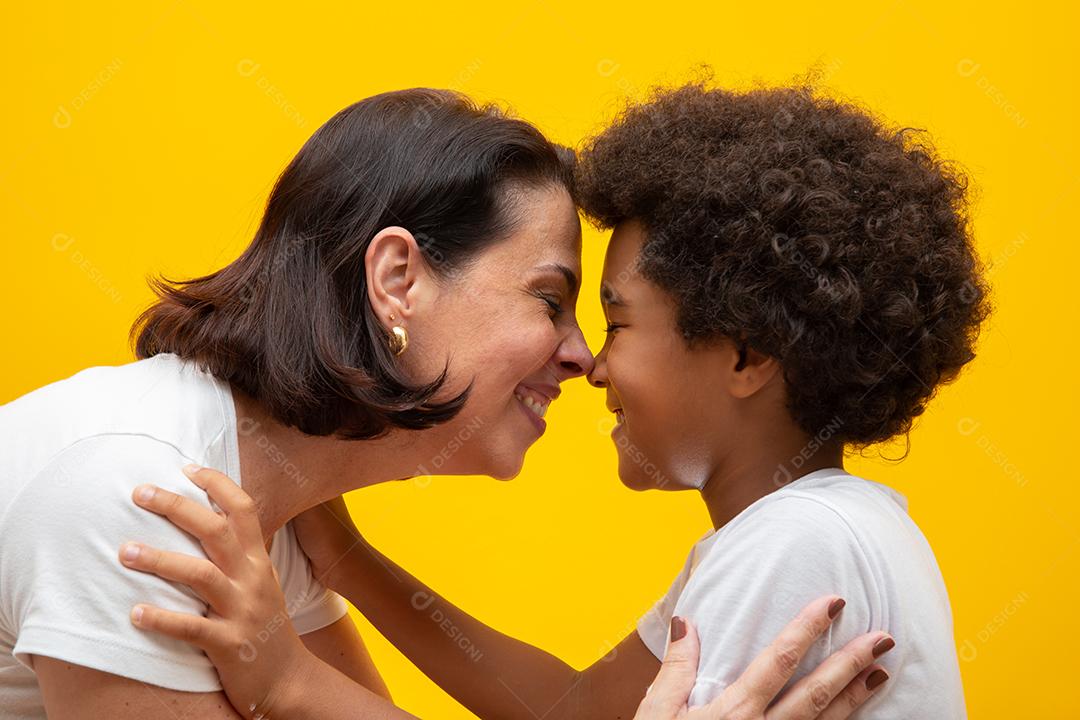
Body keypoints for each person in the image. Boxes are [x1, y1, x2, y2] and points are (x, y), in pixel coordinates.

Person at [0, 87, 887, 720]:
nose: (580, 356)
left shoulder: (273, 523)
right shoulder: (144, 500)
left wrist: (322, 615)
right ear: (398, 279)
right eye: (551, 299)